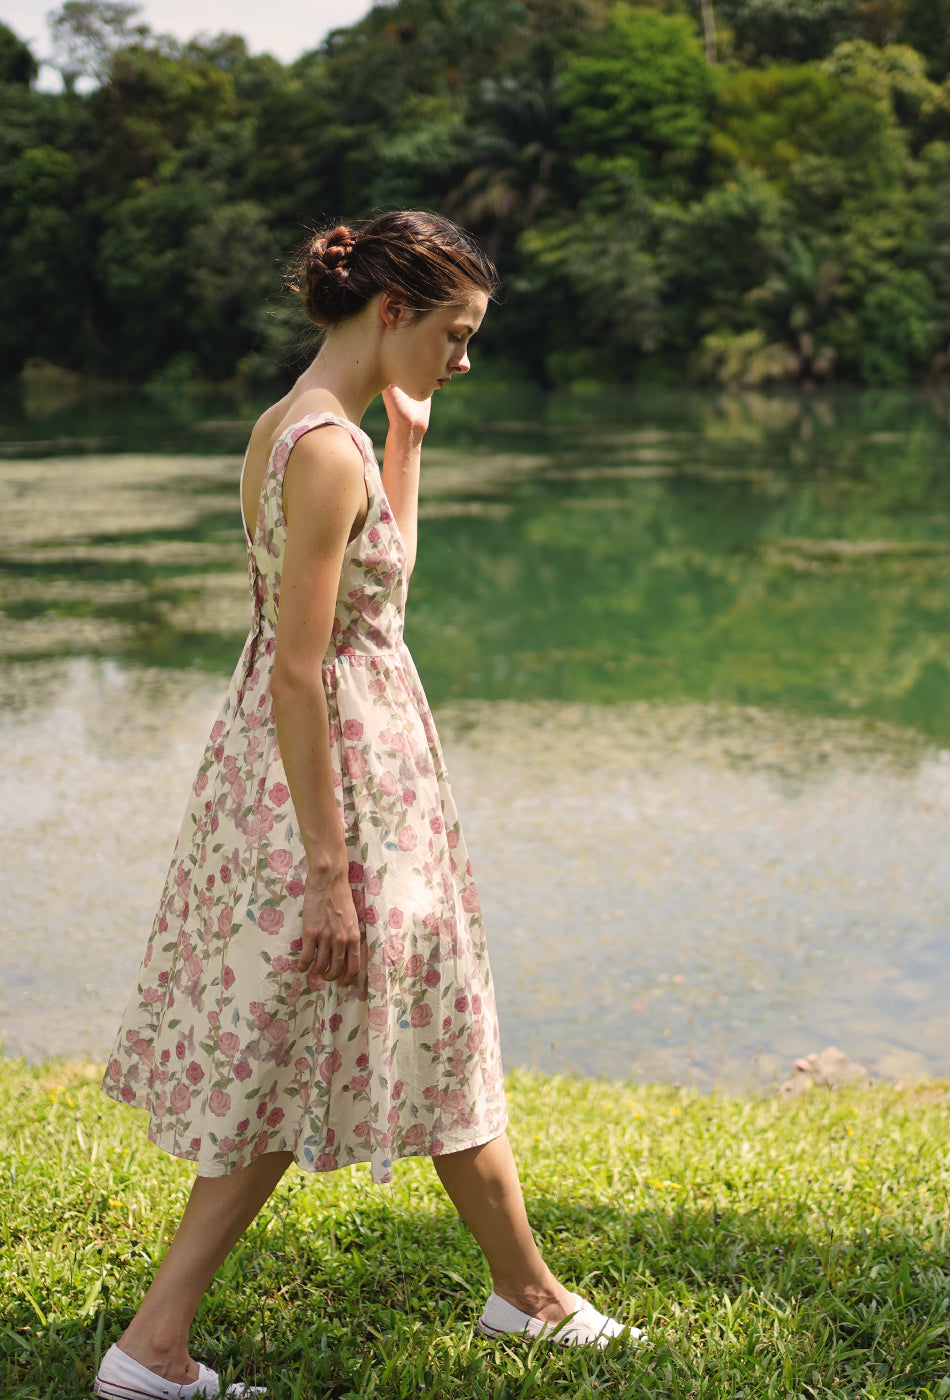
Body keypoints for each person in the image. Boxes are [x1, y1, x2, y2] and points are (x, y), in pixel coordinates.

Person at [93, 209, 640, 1400]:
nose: (462, 357)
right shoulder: (321, 447)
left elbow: (376, 592)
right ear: (393, 309)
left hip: (350, 774)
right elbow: (302, 664)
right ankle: (151, 1346)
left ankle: (525, 1293)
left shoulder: (313, 429)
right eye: (454, 334)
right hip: (336, 786)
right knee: (322, 1035)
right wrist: (329, 868)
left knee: (429, 1014)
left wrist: (412, 439)